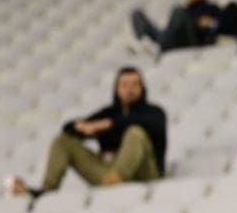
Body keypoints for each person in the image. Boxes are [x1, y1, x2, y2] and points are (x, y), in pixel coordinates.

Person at [9, 66, 166, 202]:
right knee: (63, 141)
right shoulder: (108, 112)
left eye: (135, 85)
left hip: (143, 172)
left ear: (142, 88)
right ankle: (46, 193)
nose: (129, 90)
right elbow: (69, 127)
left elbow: (148, 123)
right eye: (124, 85)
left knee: (135, 133)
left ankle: (116, 179)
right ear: (117, 89)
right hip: (106, 170)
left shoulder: (154, 112)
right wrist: (82, 126)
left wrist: (109, 124)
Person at [130, 0, 237, 53]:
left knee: (178, 11)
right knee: (137, 14)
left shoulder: (212, 8)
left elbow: (223, 25)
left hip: (192, 40)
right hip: (173, 37)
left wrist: (210, 23)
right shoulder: (187, 9)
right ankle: (145, 43)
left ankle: (159, 46)